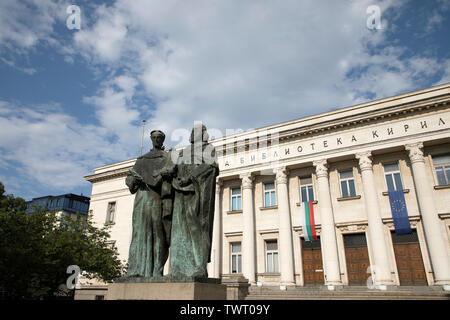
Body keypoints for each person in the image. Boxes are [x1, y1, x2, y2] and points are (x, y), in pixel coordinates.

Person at [169, 124, 220, 279]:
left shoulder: (208, 148)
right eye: (192, 131)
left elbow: (211, 167)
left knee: (197, 228)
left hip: (197, 193)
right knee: (179, 230)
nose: (192, 134)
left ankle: (199, 267)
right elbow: (175, 169)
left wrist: (190, 177)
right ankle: (178, 268)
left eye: (196, 131)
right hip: (180, 193)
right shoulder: (184, 151)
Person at [124, 130, 175, 278]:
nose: (157, 140)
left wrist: (165, 176)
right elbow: (130, 179)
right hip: (141, 199)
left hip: (157, 198)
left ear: (163, 139)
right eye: (154, 137)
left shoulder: (167, 157)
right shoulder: (141, 160)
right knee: (139, 234)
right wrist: (133, 180)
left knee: (159, 234)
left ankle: (156, 271)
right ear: (151, 139)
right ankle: (136, 269)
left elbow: (173, 175)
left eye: (160, 137)